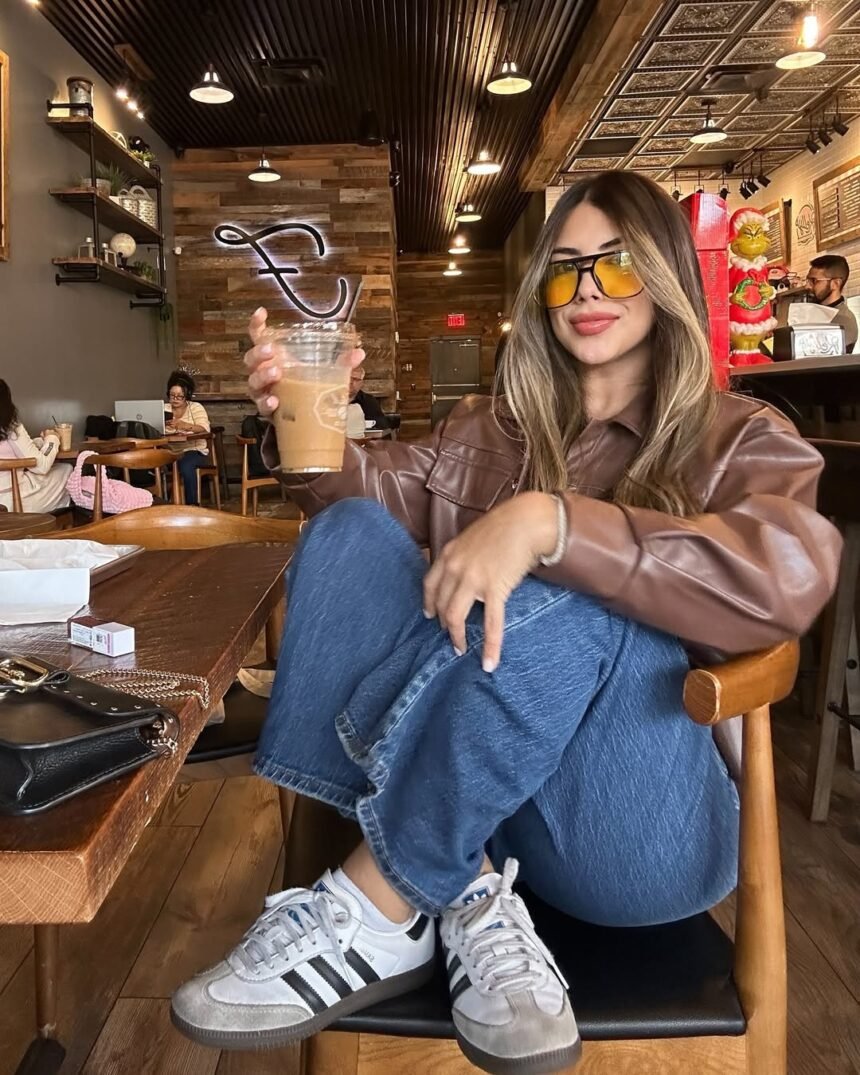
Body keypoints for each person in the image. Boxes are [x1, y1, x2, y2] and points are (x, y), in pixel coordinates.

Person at [171, 174, 841, 1074]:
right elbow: (369, 510)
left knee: (594, 590)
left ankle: (383, 896)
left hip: (633, 832)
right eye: (564, 273)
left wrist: (553, 523)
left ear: (669, 274)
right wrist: (309, 416)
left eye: (617, 266)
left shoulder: (742, 435)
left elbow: (789, 572)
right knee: (352, 529)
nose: (588, 291)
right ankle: (464, 882)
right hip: (490, 810)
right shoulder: (486, 432)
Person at [0, 380, 72, 513]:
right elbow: (41, 466)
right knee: (66, 469)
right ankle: (59, 525)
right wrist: (53, 439)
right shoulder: (10, 425)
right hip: (12, 501)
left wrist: (38, 443)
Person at [164, 370, 211, 506]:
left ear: (187, 396)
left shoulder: (196, 407)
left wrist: (184, 425)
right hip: (170, 452)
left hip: (194, 450)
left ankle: (192, 505)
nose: (175, 399)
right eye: (172, 396)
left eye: (180, 396)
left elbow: (204, 428)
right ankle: (160, 505)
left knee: (185, 465)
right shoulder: (164, 409)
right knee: (152, 462)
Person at [806, 254, 858, 353]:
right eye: (808, 280)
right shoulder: (812, 312)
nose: (807, 286)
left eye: (814, 281)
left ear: (836, 283)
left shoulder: (844, 321)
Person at [349, 365, 390, 429]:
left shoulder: (369, 402)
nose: (350, 382)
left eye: (355, 379)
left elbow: (381, 426)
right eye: (347, 378)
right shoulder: (330, 400)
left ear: (361, 383)